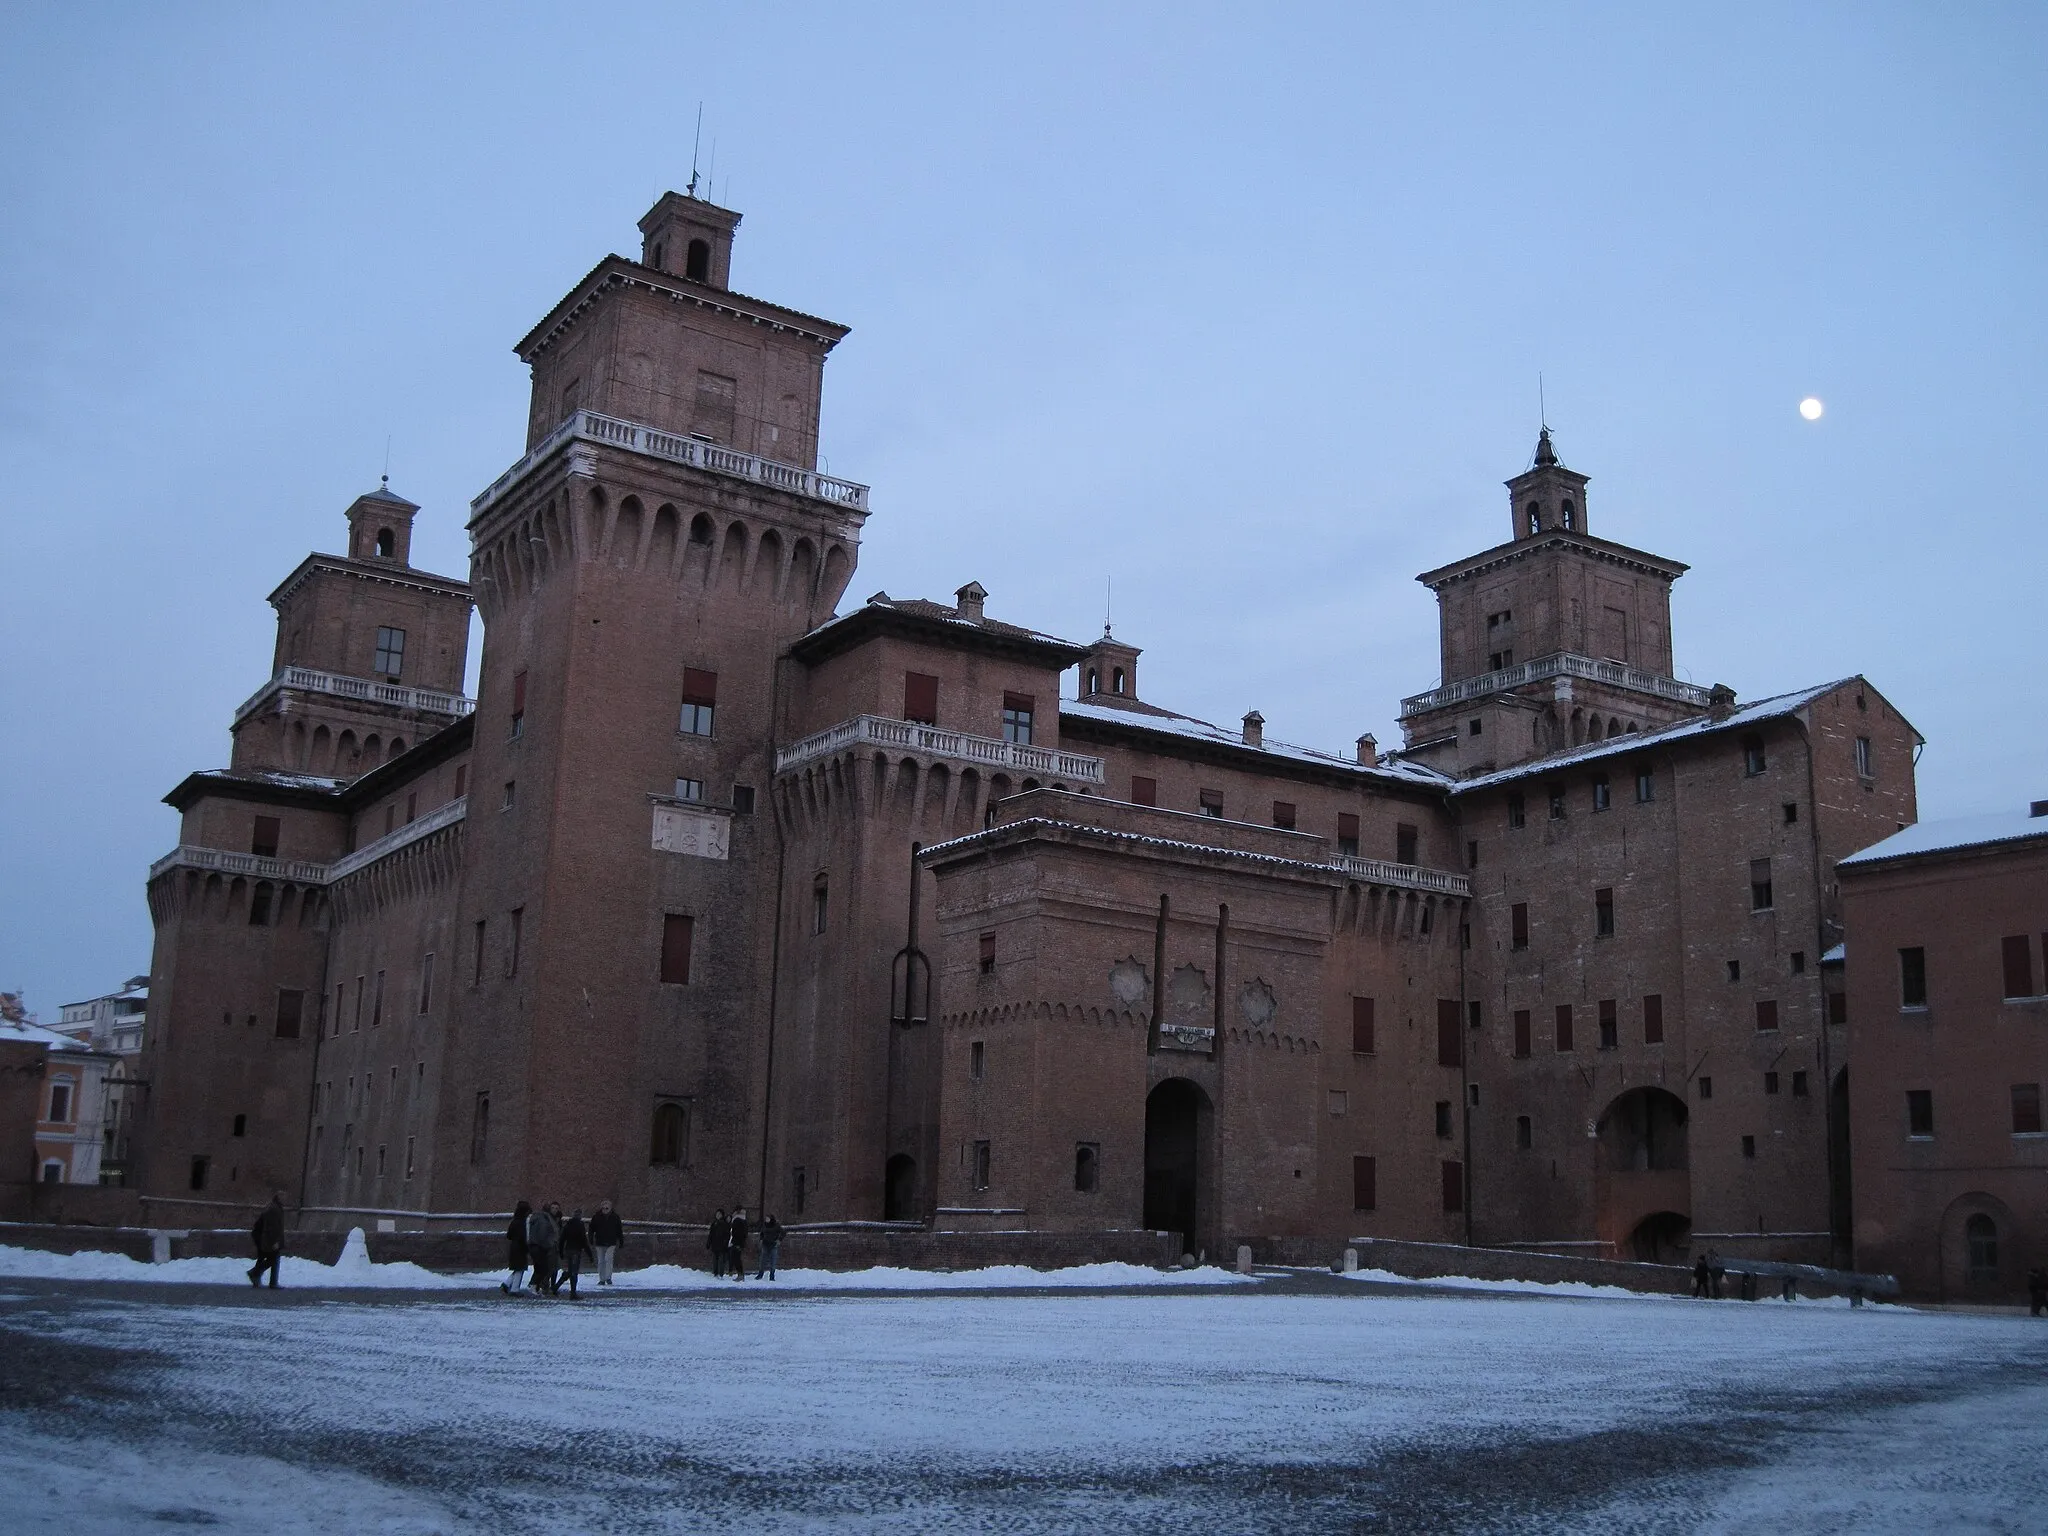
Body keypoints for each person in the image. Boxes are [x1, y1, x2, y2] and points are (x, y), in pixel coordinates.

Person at [248, 1190, 286, 1289]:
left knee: (269, 1259)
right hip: (269, 1240)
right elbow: (272, 1227)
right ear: (278, 1196)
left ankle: (266, 1279)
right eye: (282, 1195)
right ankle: (255, 1273)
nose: (285, 1198)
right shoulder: (274, 1208)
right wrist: (275, 1242)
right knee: (273, 1260)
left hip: (265, 1238)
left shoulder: (275, 1207)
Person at [526, 1201, 561, 1296]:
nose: (554, 1210)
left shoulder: (537, 1218)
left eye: (556, 1208)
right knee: (543, 1268)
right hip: (541, 1246)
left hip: (535, 1245)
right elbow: (543, 1235)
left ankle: (537, 1287)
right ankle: (534, 1286)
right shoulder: (544, 1220)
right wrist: (549, 1244)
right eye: (552, 1208)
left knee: (541, 1268)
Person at [558, 1208, 592, 1298]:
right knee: (574, 1272)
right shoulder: (580, 1225)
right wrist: (590, 1254)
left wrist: (561, 1251)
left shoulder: (568, 1224)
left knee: (570, 1271)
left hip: (568, 1250)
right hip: (576, 1251)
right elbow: (583, 1240)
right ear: (580, 1215)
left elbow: (562, 1239)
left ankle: (556, 1287)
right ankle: (573, 1293)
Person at [590, 1200, 624, 1286]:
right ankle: (602, 1279)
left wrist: (621, 1241)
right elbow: (591, 1228)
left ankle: (608, 1277)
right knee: (601, 1261)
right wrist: (590, 1238)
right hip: (599, 1242)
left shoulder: (615, 1217)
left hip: (611, 1241)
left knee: (608, 1259)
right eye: (603, 1208)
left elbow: (619, 1230)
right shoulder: (596, 1217)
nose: (605, 1209)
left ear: (610, 1208)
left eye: (607, 1208)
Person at [503, 1200, 532, 1294]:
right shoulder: (522, 1223)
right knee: (520, 1269)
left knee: (517, 1268)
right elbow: (523, 1237)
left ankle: (507, 1284)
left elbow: (509, 1235)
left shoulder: (514, 1221)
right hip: (520, 1248)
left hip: (514, 1246)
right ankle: (514, 1289)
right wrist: (527, 1248)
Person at [756, 1213, 783, 1281]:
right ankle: (760, 1274)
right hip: (765, 1244)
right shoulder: (764, 1225)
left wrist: (779, 1240)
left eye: (768, 1218)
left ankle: (772, 1275)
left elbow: (783, 1232)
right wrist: (761, 1239)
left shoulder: (776, 1225)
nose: (766, 1220)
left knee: (773, 1261)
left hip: (773, 1244)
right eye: (766, 1218)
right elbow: (762, 1232)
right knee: (762, 1260)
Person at [727, 1206, 749, 1281]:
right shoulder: (744, 1220)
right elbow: (744, 1233)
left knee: (736, 1259)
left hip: (737, 1242)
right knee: (737, 1258)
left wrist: (735, 1242)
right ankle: (740, 1274)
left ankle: (740, 1275)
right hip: (739, 1243)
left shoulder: (737, 1220)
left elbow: (737, 1233)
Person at [707, 1208, 729, 1278]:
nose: (717, 1215)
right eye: (717, 1214)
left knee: (721, 1260)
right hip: (715, 1244)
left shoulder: (724, 1224)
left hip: (722, 1244)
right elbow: (711, 1234)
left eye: (719, 1214)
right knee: (715, 1260)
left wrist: (725, 1243)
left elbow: (727, 1234)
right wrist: (709, 1242)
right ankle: (715, 1273)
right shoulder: (714, 1223)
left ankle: (720, 1273)